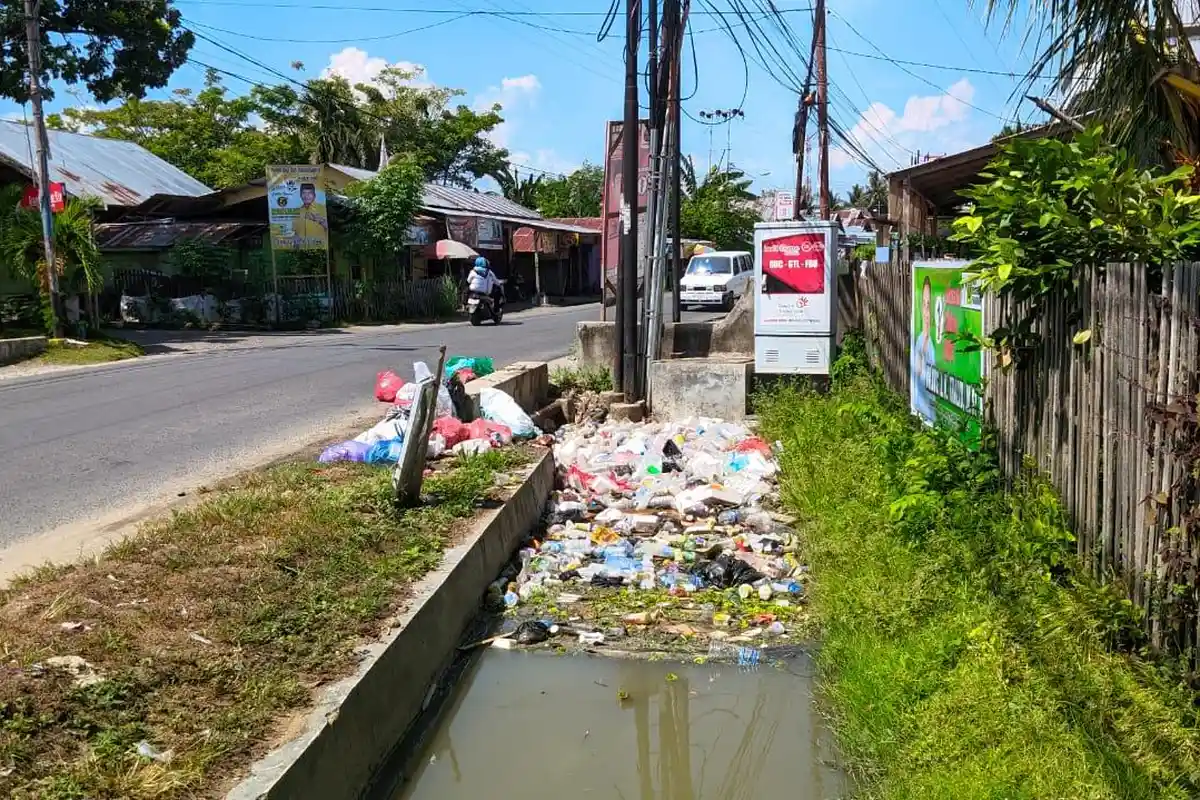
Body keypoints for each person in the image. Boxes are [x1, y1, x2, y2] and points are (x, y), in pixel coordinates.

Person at [910, 276, 938, 423]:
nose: (927, 311)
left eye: (929, 304)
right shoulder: (919, 340)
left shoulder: (934, 345)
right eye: (924, 305)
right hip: (921, 411)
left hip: (932, 415)